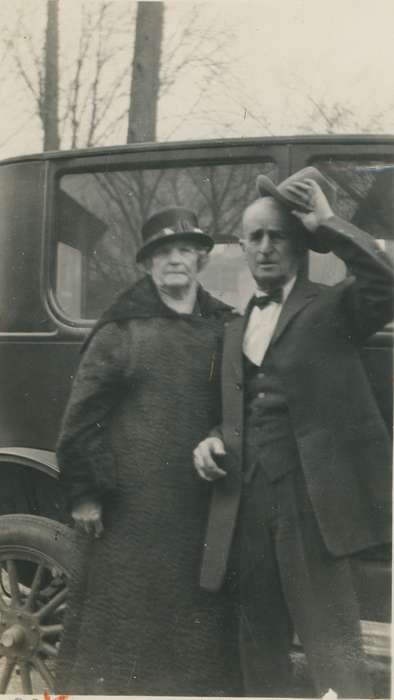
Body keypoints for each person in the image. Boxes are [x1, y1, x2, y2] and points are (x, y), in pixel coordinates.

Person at [193, 168, 393, 698]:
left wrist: (328, 222)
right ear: (240, 245)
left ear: (299, 243)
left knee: (334, 645)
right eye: (253, 237)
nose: (263, 248)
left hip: (311, 505)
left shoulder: (330, 306)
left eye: (276, 235)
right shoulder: (236, 325)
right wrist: (212, 437)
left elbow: (386, 282)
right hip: (245, 502)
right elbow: (237, 408)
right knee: (257, 641)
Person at [54, 206, 241, 695]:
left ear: (201, 257)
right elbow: (79, 422)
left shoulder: (225, 325)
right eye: (162, 252)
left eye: (184, 249)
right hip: (131, 512)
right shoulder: (122, 329)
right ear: (146, 264)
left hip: (198, 505)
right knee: (122, 632)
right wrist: (86, 495)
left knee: (193, 630)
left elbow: (240, 403)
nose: (174, 260)